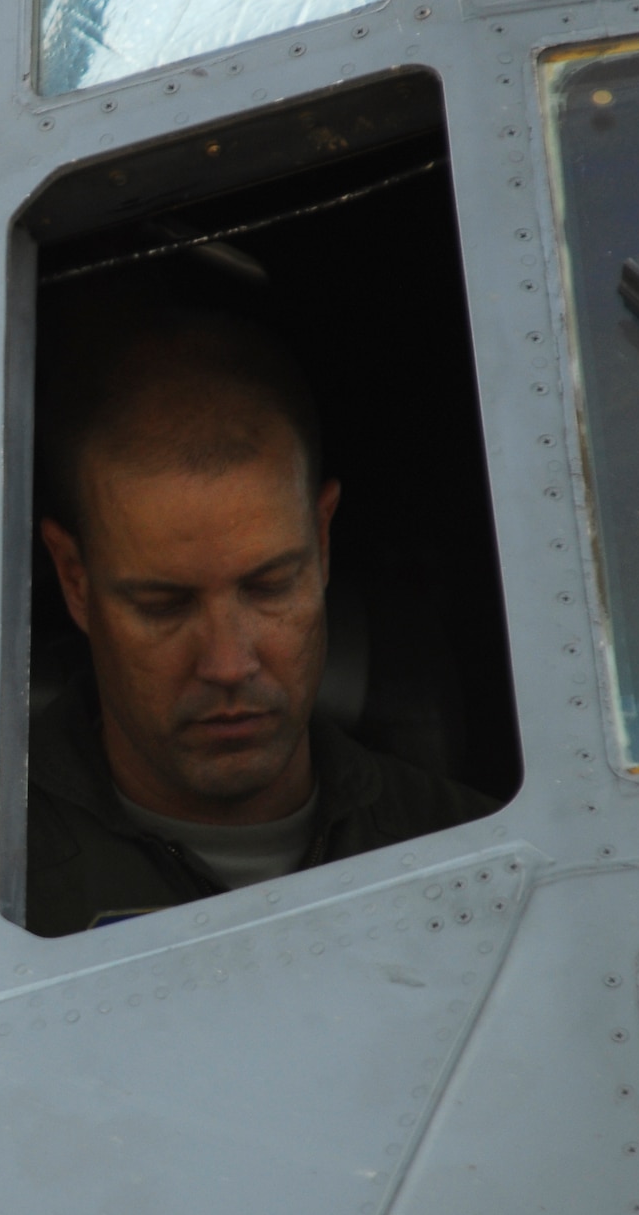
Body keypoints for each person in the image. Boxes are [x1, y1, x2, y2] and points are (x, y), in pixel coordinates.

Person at [27, 306, 497, 934]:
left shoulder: (482, 863)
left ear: (324, 544)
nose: (227, 663)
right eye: (163, 606)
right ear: (74, 580)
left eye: (270, 587)